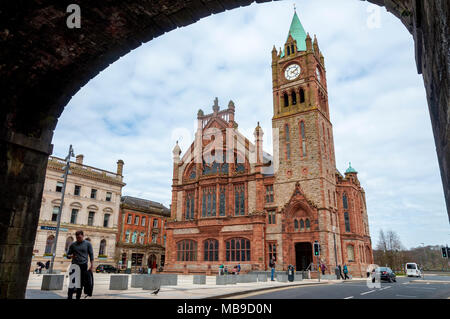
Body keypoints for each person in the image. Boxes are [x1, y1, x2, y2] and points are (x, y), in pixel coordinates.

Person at [66, 230, 94, 299]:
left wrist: (92, 265)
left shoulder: (88, 244)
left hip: (83, 265)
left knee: (80, 283)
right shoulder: (73, 244)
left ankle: (78, 297)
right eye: (77, 237)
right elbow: (67, 255)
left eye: (80, 237)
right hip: (74, 265)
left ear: (83, 236)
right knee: (72, 282)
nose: (78, 239)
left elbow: (91, 254)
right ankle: (69, 297)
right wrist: (71, 256)